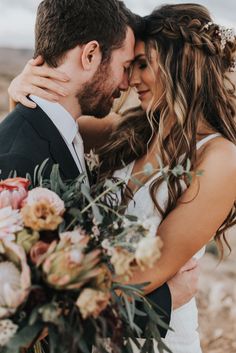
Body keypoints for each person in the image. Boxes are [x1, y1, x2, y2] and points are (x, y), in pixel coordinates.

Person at [8, 3, 236, 352]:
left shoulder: (218, 158)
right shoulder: (132, 131)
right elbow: (40, 136)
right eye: (130, 65)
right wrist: (23, 89)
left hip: (153, 335)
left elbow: (153, 269)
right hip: (94, 329)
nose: (130, 80)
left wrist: (47, 306)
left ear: (181, 66)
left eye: (142, 65)